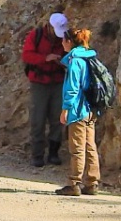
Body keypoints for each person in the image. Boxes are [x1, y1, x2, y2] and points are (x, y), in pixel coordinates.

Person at [56, 28, 101, 196]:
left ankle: (74, 183)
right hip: (90, 109)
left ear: (69, 42)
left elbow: (72, 88)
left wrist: (66, 109)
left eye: (63, 40)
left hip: (78, 110)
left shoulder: (75, 61)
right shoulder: (89, 57)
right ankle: (92, 182)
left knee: (77, 148)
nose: (61, 43)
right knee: (90, 146)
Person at [22, 12, 69, 167]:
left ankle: (54, 153)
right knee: (38, 118)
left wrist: (61, 62)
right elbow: (27, 56)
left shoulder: (65, 38)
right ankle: (37, 154)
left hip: (58, 82)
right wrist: (45, 58)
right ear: (49, 26)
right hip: (39, 83)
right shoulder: (36, 36)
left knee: (57, 118)